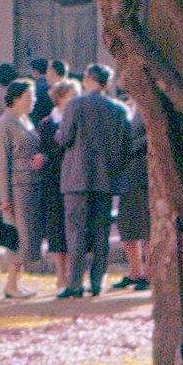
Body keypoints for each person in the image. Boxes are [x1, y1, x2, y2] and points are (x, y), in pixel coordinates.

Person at [57, 63, 132, 297]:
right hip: (106, 180)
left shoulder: (75, 105)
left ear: (88, 79)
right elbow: (125, 147)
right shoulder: (119, 110)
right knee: (101, 232)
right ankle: (97, 280)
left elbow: (65, 137)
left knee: (76, 231)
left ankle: (75, 282)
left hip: (77, 178)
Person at [0, 78, 45, 299]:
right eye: (29, 97)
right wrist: (4, 198)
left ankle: (16, 282)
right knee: (18, 236)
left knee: (27, 235)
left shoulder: (26, 120)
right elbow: (1, 163)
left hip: (32, 183)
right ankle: (11, 284)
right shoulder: (5, 123)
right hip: (16, 187)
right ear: (17, 98)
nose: (33, 101)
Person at [114, 80, 153, 289]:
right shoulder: (130, 108)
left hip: (142, 170)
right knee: (127, 223)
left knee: (145, 225)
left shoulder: (147, 107)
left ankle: (148, 273)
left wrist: (129, 147)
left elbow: (151, 136)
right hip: (129, 173)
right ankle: (134, 270)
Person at [38, 75, 74, 291]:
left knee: (73, 228)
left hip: (73, 179)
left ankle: (72, 273)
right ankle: (60, 274)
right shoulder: (46, 123)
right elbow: (45, 150)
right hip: (53, 181)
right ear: (59, 99)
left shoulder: (78, 119)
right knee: (56, 229)